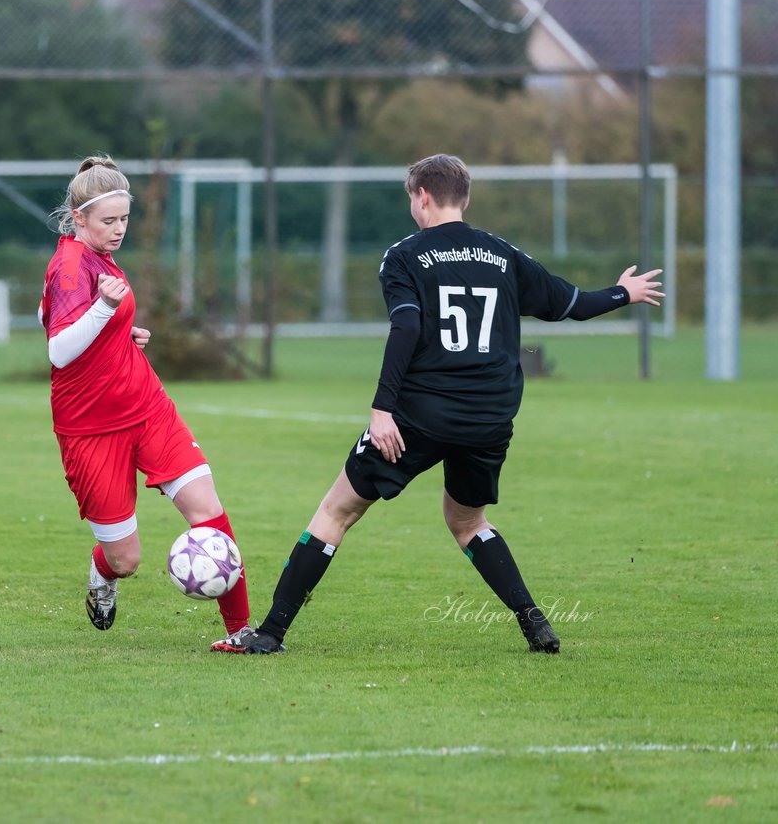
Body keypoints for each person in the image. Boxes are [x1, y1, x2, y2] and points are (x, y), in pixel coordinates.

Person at [229, 153, 665, 656]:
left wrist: (381, 408)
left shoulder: (405, 255)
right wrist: (621, 293)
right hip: (490, 416)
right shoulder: (503, 254)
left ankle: (270, 633)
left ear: (423, 197)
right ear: (467, 198)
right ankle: (534, 623)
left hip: (421, 415)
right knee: (468, 523)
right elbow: (570, 305)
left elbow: (408, 325)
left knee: (335, 512)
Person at [38, 154, 255, 651]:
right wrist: (104, 311)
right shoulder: (70, 264)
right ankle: (102, 573)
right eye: (108, 221)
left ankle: (240, 633)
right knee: (125, 560)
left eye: (124, 219)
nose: (118, 230)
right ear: (79, 219)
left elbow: (47, 315)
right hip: (91, 428)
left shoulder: (96, 254)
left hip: (146, 406)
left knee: (209, 511)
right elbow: (58, 348)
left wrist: (116, 333)